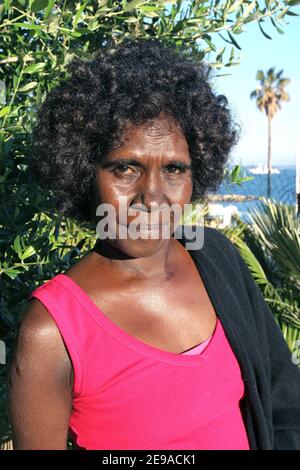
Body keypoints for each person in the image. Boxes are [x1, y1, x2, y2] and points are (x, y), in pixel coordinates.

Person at [8, 38, 300, 450]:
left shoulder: (215, 258)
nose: (153, 197)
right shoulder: (53, 330)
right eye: (126, 168)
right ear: (81, 171)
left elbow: (284, 401)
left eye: (174, 169)